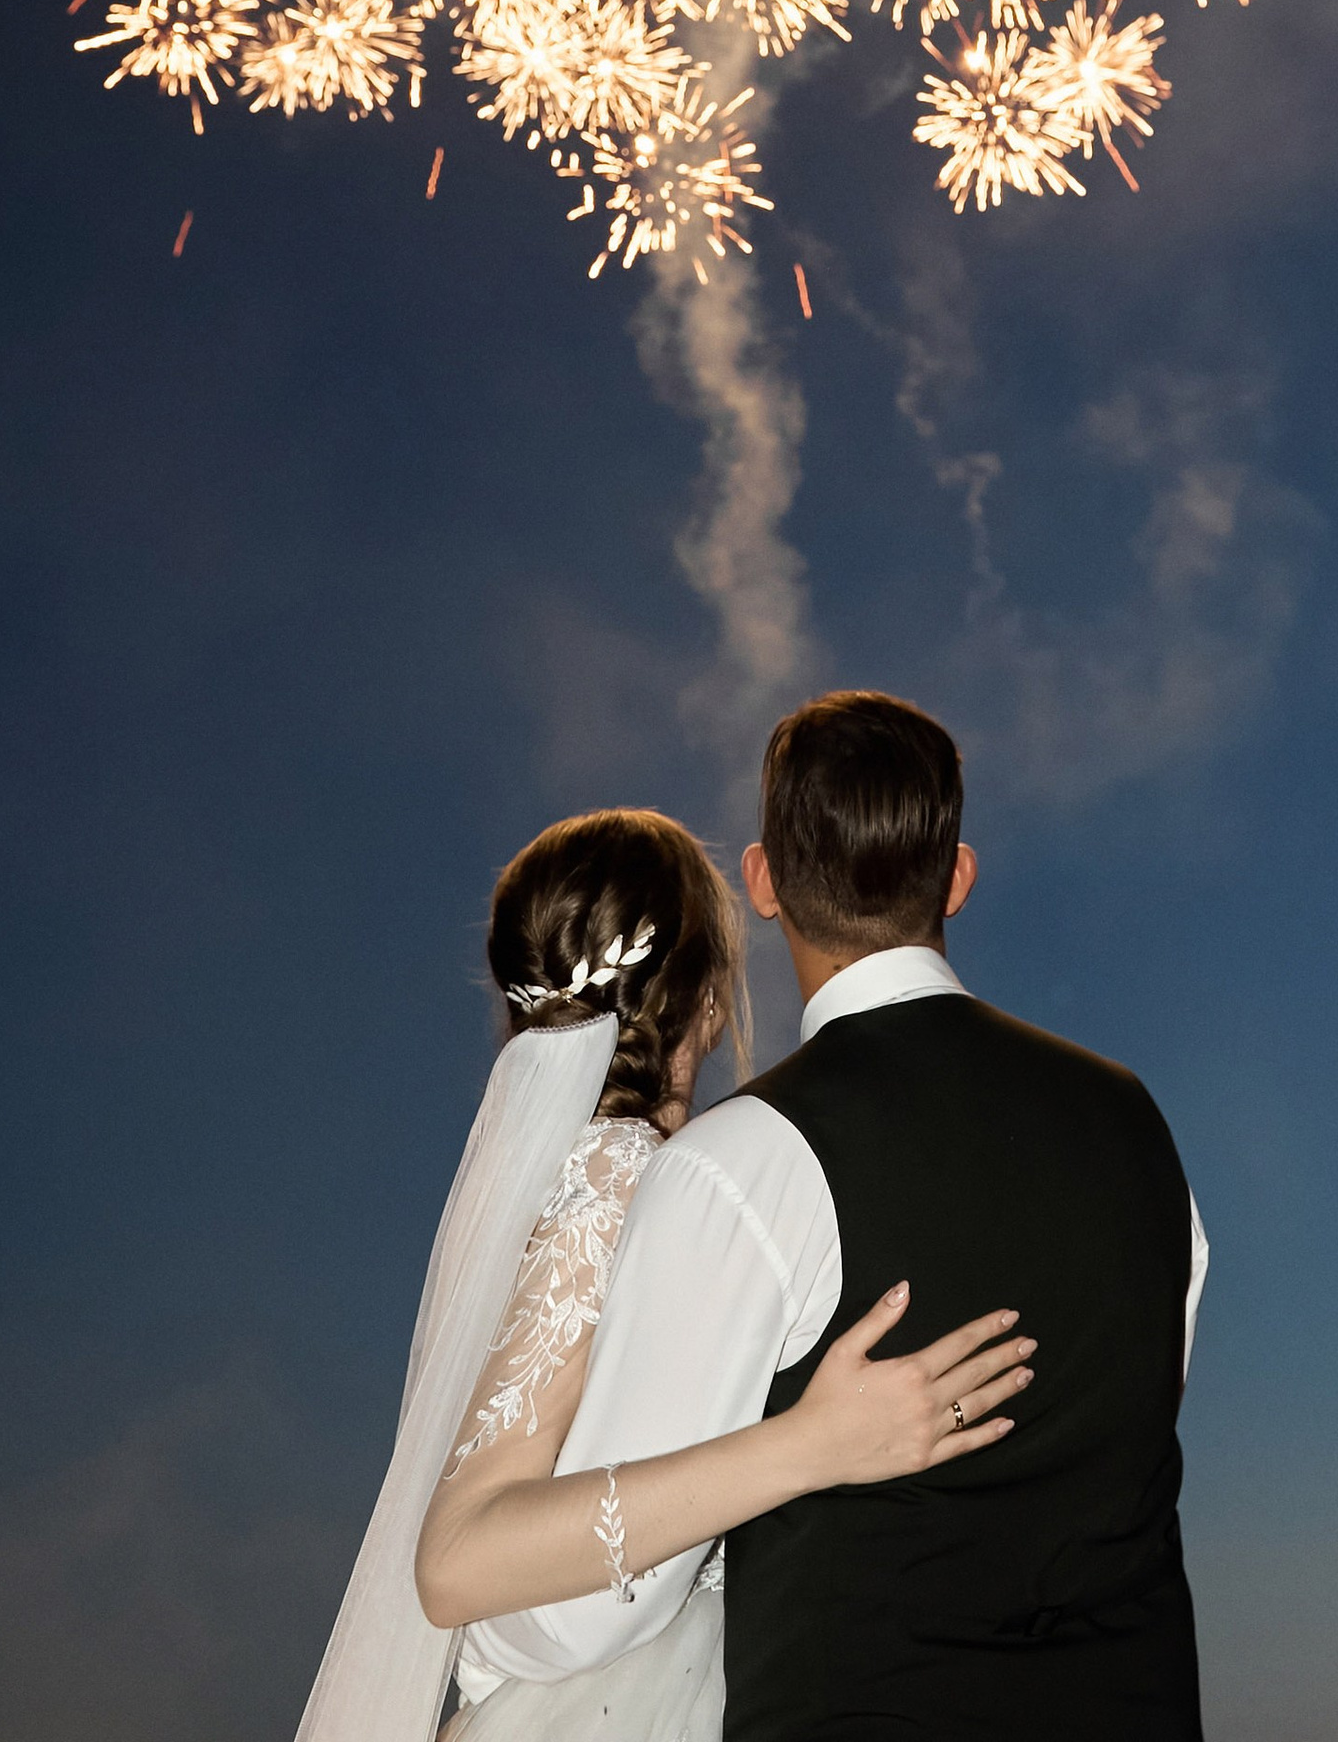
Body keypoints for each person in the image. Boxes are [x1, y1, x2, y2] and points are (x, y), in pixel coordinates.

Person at [480, 694, 1208, 1741]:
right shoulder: (1139, 1125)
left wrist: (474, 1642)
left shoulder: (738, 1164)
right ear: (955, 873)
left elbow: (591, 1605)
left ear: (764, 879)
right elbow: (1136, 1413)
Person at [290, 803, 1031, 1742]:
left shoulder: (603, 1172)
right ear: (708, 995)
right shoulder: (615, 1173)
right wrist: (816, 1444)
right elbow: (454, 1559)